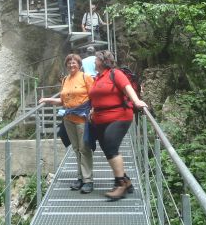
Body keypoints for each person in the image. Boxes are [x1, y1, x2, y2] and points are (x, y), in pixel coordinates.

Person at [89, 50, 147, 200]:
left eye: (96, 59)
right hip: (100, 118)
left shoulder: (115, 73)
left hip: (119, 115)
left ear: (102, 61)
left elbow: (127, 87)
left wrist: (136, 101)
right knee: (108, 149)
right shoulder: (97, 78)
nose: (94, 61)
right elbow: (98, 96)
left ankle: (119, 185)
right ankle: (126, 181)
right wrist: (93, 109)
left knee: (111, 144)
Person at [39, 54, 95, 194]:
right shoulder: (65, 80)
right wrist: (47, 100)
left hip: (82, 118)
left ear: (79, 64)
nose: (71, 65)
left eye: (74, 62)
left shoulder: (85, 77)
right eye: (69, 62)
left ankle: (88, 180)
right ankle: (80, 177)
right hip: (68, 118)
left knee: (84, 148)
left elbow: (94, 97)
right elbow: (62, 101)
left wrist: (93, 111)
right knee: (76, 149)